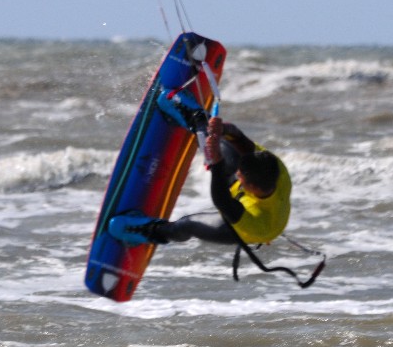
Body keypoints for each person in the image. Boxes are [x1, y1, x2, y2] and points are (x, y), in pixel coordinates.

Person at [117, 93, 292, 248]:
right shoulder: (275, 168)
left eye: (241, 177)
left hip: (241, 229)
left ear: (254, 188)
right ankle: (196, 118)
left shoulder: (258, 222)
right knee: (218, 141)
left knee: (187, 225)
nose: (238, 175)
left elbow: (222, 202)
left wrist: (216, 163)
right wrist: (222, 130)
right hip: (249, 193)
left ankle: (149, 231)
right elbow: (242, 143)